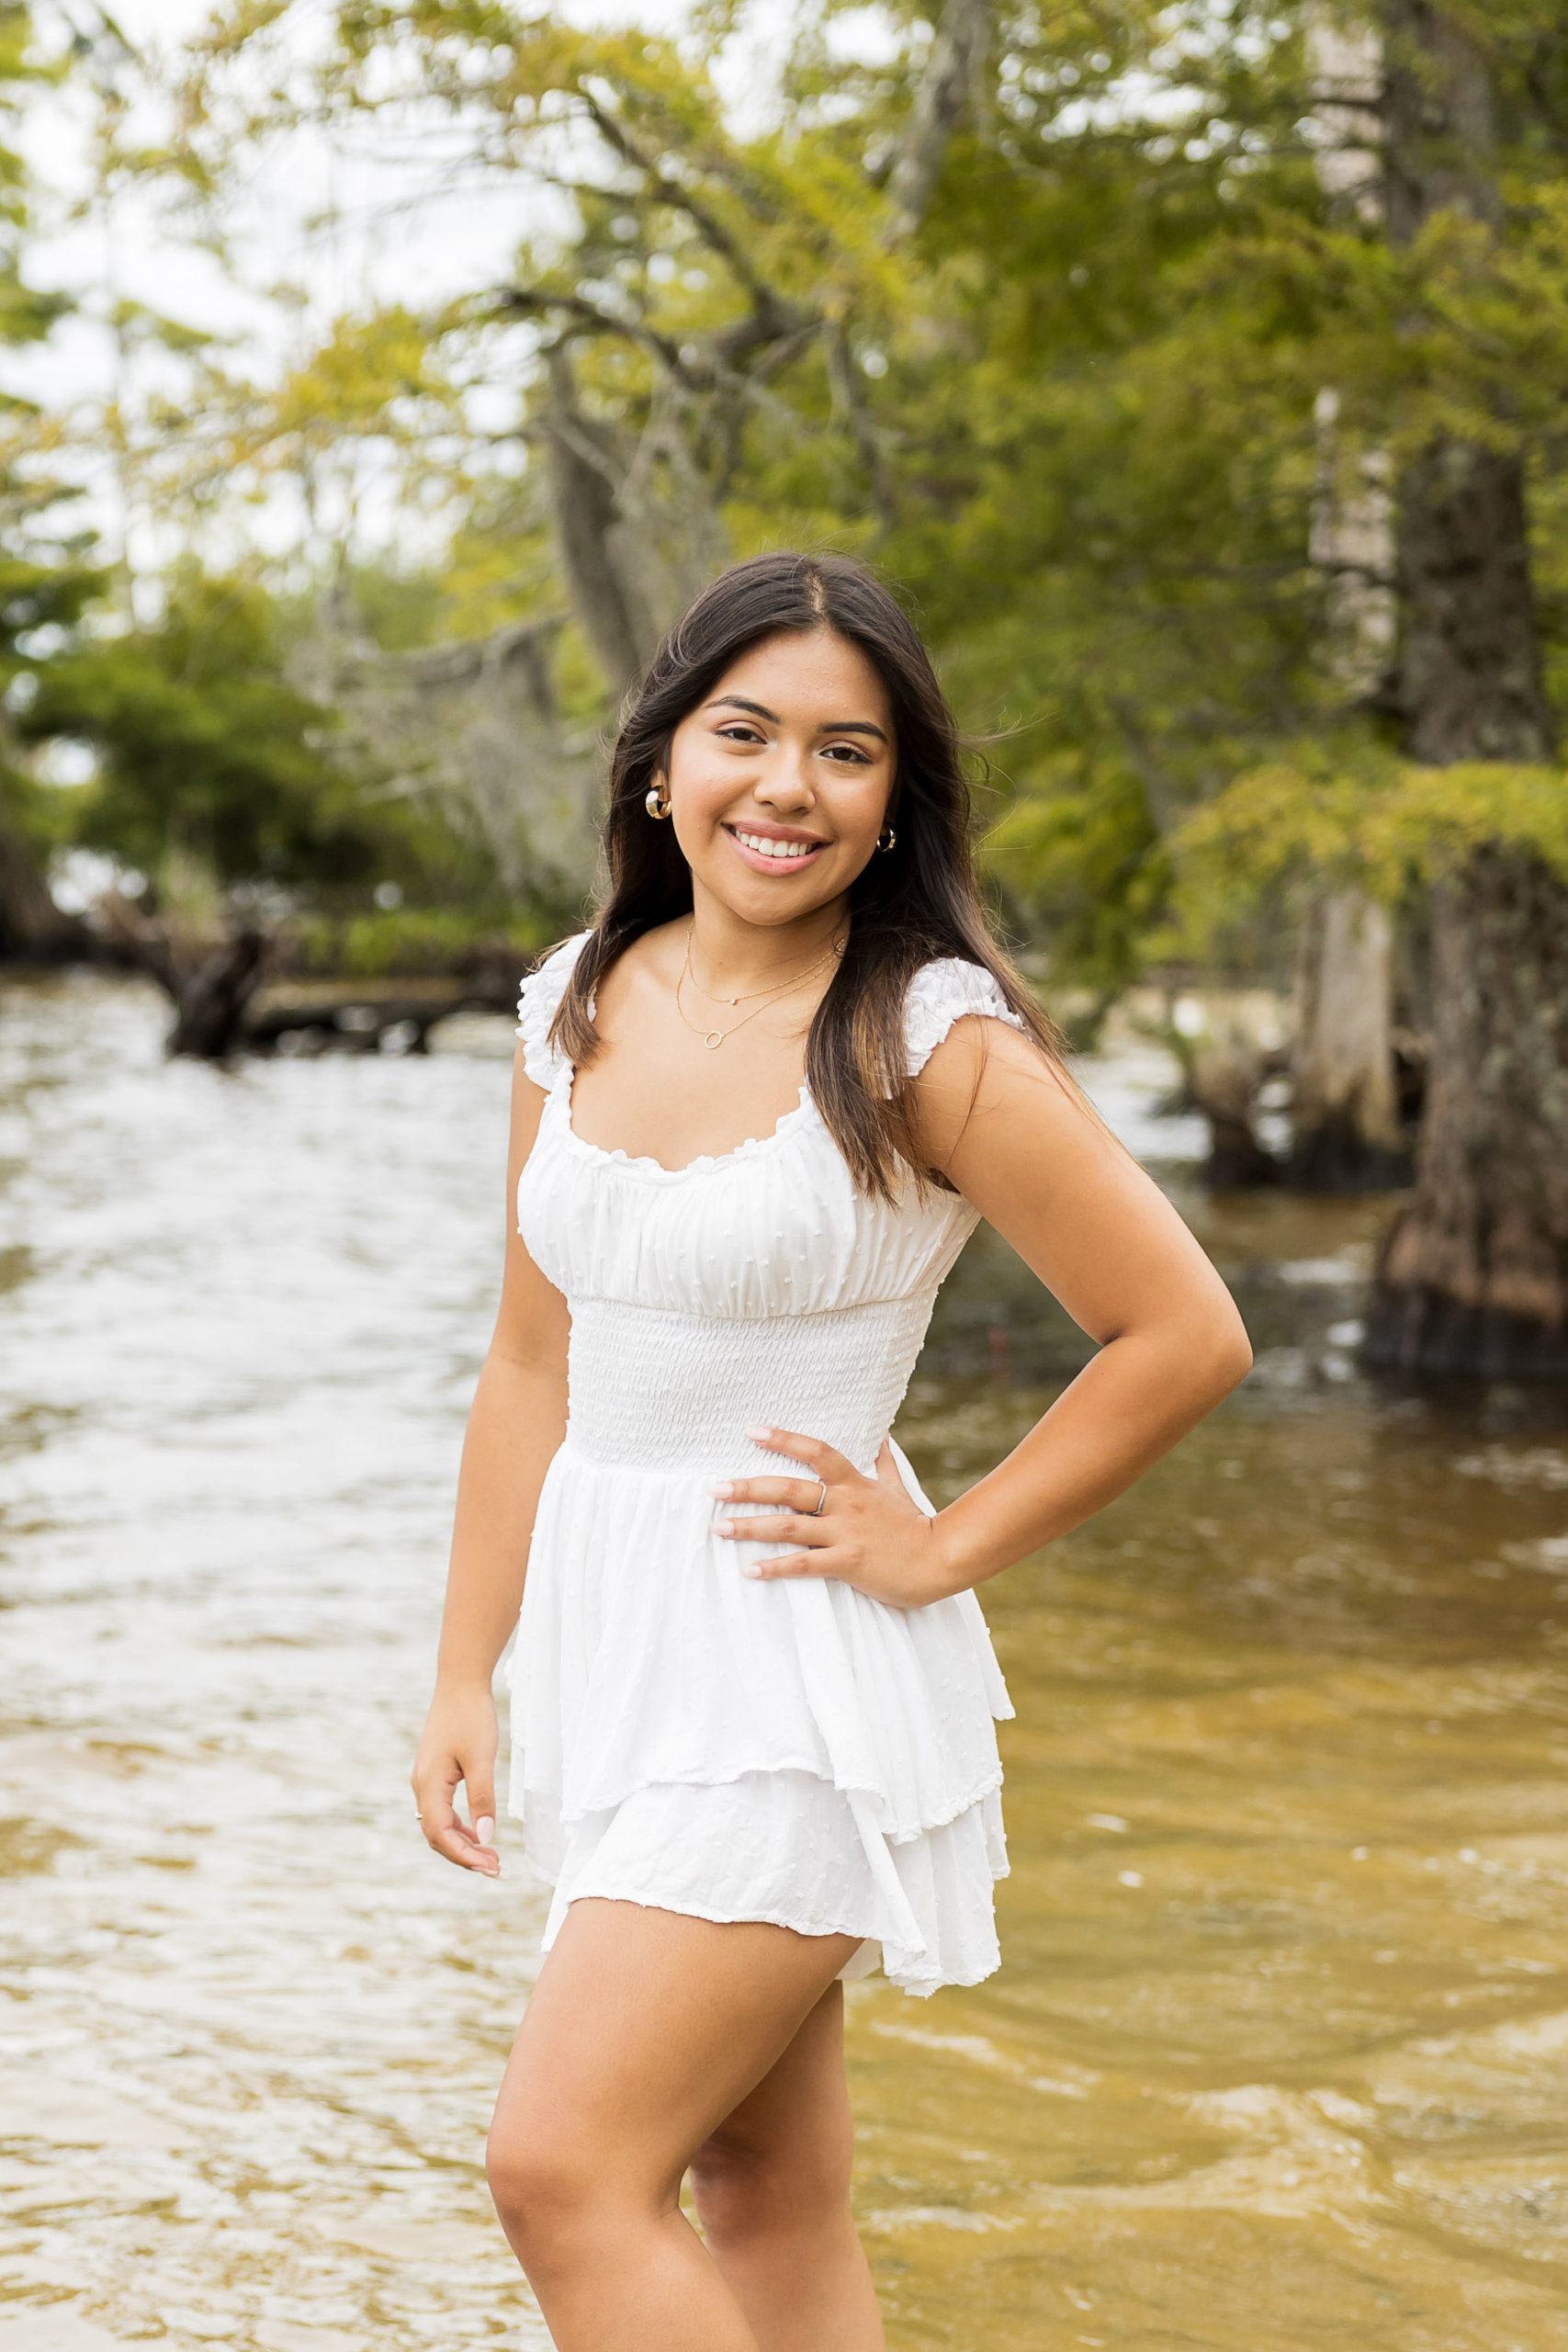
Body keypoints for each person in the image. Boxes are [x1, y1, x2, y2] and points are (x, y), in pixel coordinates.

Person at [411, 551, 1251, 2351]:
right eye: (745, 732)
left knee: (555, 2165)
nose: (786, 784)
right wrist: (462, 1669)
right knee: (761, 2192)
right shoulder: (574, 1004)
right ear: (660, 763)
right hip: (618, 1656)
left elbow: (1181, 1331)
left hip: (792, 1672)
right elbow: (527, 1358)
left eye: (845, 750)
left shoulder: (922, 1035)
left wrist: (940, 1547)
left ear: (893, 803)